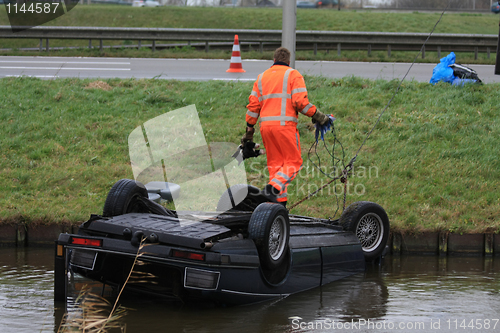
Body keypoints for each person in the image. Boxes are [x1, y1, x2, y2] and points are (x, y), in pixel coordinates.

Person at [241, 47, 330, 207]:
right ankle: (272, 189)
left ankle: (277, 206)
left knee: (276, 167)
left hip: (266, 128)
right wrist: (320, 117)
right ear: (289, 62)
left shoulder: (262, 78)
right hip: (285, 127)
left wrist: (249, 132)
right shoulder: (293, 75)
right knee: (293, 162)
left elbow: (253, 107)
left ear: (274, 61)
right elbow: (301, 103)